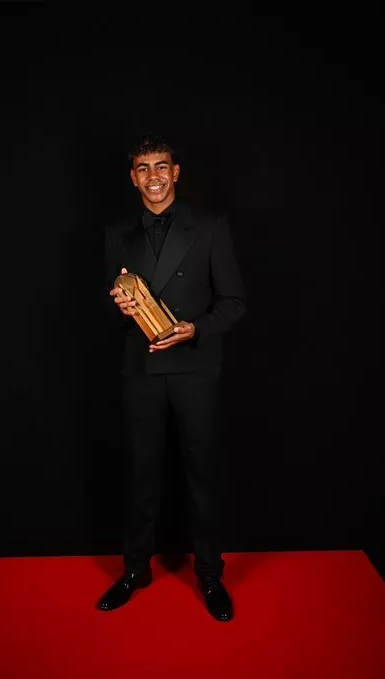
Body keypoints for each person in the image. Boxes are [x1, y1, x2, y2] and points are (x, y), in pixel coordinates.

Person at [98, 134, 246, 622]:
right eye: (143, 168)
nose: (153, 177)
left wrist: (195, 329)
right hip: (140, 370)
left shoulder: (210, 228)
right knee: (141, 474)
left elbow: (234, 303)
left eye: (161, 166)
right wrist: (119, 306)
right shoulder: (117, 234)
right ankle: (135, 569)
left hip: (195, 369)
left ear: (175, 172)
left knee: (201, 474)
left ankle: (210, 573)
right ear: (133, 177)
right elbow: (114, 306)